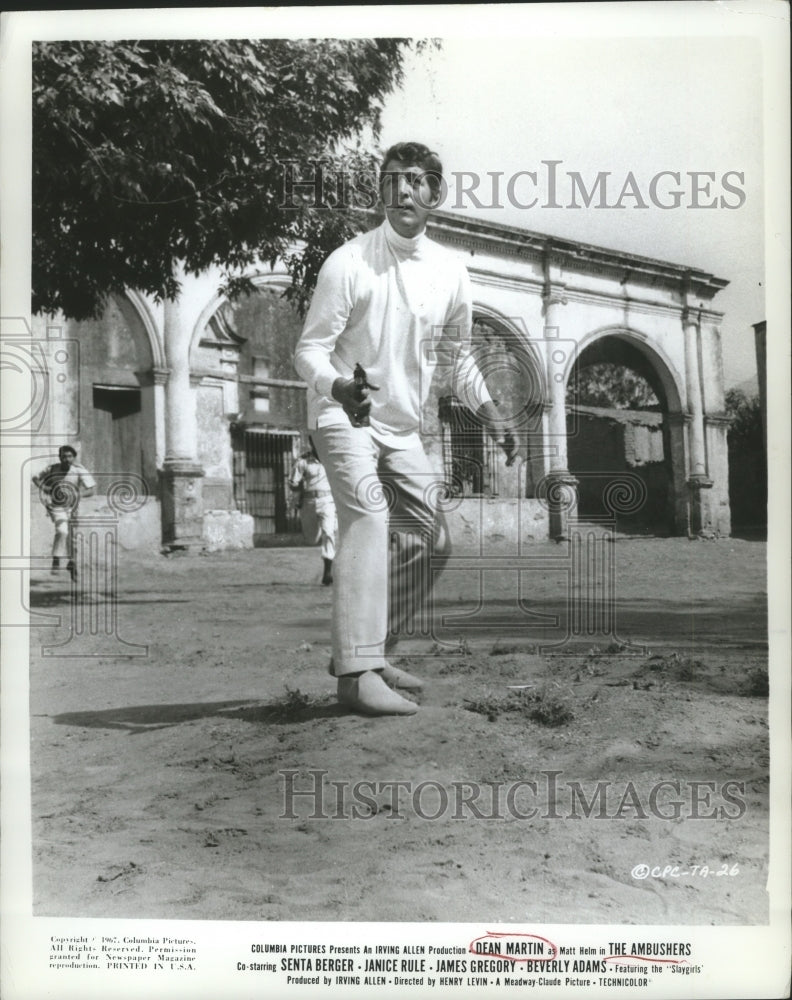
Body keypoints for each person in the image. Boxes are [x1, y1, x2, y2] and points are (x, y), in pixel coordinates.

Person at [294, 140, 522, 716]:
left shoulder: (450, 270)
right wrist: (337, 387)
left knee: (433, 542)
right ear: (380, 191)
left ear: (435, 194)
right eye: (392, 180)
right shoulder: (348, 261)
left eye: (416, 180)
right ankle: (355, 676)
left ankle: (373, 650)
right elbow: (310, 350)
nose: (403, 191)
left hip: (399, 427)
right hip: (342, 413)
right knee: (369, 518)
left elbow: (456, 356)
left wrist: (492, 414)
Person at [33, 444, 96, 580]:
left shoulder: (79, 470)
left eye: (69, 456)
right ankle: (56, 560)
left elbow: (91, 490)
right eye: (64, 456)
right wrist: (45, 488)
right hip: (57, 506)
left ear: (74, 457)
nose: (66, 459)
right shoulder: (52, 469)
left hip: (73, 507)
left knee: (72, 538)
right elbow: (35, 478)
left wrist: (78, 494)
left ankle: (72, 564)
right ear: (59, 457)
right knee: (62, 531)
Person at [288, 440, 337, 585]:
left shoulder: (332, 459)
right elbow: (292, 483)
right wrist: (299, 491)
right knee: (311, 539)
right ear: (312, 443)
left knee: (329, 532)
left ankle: (327, 572)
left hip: (327, 501)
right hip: (309, 501)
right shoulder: (303, 461)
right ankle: (319, 539)